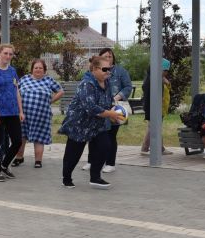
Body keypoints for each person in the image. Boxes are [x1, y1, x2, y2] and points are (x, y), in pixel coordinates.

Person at [59, 56, 125, 189]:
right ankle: (66, 178)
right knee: (73, 154)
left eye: (110, 69)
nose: (108, 72)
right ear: (94, 69)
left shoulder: (106, 83)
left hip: (97, 124)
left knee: (105, 146)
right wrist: (110, 114)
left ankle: (95, 177)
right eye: (105, 69)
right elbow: (91, 108)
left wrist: (113, 113)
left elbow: (107, 102)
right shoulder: (86, 84)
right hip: (79, 124)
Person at [82, 48, 133, 173]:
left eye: (110, 56)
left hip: (114, 107)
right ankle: (91, 161)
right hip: (98, 108)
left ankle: (110, 163)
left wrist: (117, 96)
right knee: (94, 135)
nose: (108, 58)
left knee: (110, 136)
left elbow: (128, 86)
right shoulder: (93, 72)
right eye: (105, 56)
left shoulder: (120, 71)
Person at [13, 59, 64, 169]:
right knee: (21, 137)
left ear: (44, 70)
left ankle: (38, 161)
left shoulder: (48, 80)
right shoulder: (24, 79)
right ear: (32, 69)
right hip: (23, 114)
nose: (38, 69)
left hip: (42, 116)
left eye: (40, 68)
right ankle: (19, 158)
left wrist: (50, 101)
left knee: (39, 138)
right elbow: (15, 91)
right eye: (36, 67)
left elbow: (61, 91)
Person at [0, 44, 24, 182]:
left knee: (18, 141)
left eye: (10, 54)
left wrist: (20, 110)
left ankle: (5, 165)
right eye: (5, 53)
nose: (8, 56)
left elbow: (17, 91)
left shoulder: (12, 71)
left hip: (12, 111)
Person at [140, 59, 173, 156]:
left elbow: (167, 90)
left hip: (160, 108)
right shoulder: (151, 79)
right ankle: (145, 148)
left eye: (167, 71)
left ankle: (159, 148)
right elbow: (148, 92)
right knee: (152, 127)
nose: (166, 73)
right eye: (164, 71)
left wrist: (167, 83)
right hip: (153, 107)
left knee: (156, 127)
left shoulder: (160, 79)